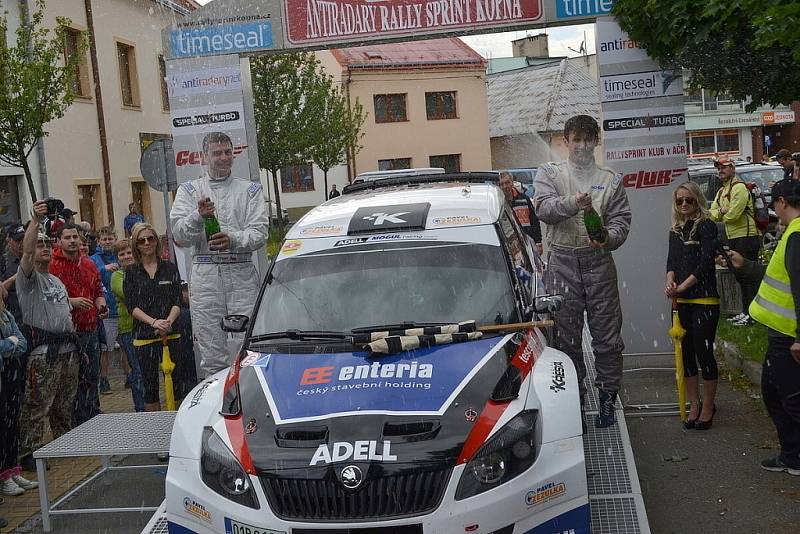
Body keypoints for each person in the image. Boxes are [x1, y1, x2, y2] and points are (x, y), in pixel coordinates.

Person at [533, 114, 632, 428]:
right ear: (566, 141)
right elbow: (544, 209)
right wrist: (573, 203)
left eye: (588, 139)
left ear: (596, 142)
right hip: (561, 264)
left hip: (599, 264)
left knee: (607, 338)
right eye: (576, 139)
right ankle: (573, 399)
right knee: (565, 339)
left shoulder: (611, 179)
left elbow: (621, 223)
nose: (582, 145)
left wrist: (606, 237)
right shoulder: (549, 173)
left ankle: (607, 397)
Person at [170, 131, 268, 377]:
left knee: (247, 345)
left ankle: (247, 402)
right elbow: (180, 236)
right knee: (212, 347)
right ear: (204, 157)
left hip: (241, 273)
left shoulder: (251, 191)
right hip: (206, 276)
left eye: (228, 152)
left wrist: (232, 238)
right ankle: (217, 407)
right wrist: (197, 216)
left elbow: (259, 233)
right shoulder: (189, 191)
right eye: (217, 153)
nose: (224, 158)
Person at [729, 179, 800, 475]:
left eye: (774, 204)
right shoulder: (791, 234)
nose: (773, 210)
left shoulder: (796, 234)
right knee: (774, 394)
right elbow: (777, 276)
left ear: (782, 202)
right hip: (779, 332)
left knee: (792, 399)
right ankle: (792, 455)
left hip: (788, 335)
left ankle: (795, 455)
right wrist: (746, 265)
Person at [15, 201, 81, 473]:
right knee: (37, 405)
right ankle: (29, 451)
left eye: (46, 244)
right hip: (44, 353)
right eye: (39, 244)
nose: (43, 248)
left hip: (68, 350)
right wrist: (35, 221)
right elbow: (28, 251)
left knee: (64, 403)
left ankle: (63, 441)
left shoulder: (56, 280)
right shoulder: (28, 279)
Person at [665, 182, 720, 430]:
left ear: (697, 199)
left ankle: (708, 406)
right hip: (682, 300)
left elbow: (706, 263)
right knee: (685, 354)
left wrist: (683, 286)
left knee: (703, 351)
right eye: (680, 201)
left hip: (704, 298)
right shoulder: (675, 229)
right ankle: (694, 403)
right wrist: (670, 284)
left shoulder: (707, 226)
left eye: (689, 200)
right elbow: (671, 261)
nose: (685, 204)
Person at [49, 223, 107, 426]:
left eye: (75, 237)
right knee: (71, 381)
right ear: (59, 241)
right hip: (66, 332)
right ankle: (76, 423)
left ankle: (92, 415)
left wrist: (101, 305)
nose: (72, 241)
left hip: (90, 328)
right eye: (67, 238)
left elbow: (98, 290)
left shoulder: (89, 264)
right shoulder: (52, 265)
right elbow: (47, 299)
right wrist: (71, 302)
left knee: (92, 376)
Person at [124, 223, 182, 412]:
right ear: (136, 245)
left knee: (177, 384)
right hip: (144, 336)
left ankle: (177, 425)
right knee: (150, 386)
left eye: (151, 238)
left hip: (171, 332)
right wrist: (153, 322)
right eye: (142, 240)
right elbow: (132, 306)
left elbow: (177, 300)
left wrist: (167, 322)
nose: (147, 243)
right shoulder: (131, 273)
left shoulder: (170, 268)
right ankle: (155, 427)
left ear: (157, 241)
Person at [710, 157, 761, 326]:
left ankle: (752, 314)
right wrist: (723, 210)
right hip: (733, 237)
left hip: (746, 236)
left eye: (724, 167)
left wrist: (722, 212)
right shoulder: (721, 191)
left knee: (749, 277)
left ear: (732, 168)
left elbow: (733, 215)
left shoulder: (739, 188)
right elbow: (712, 214)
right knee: (740, 277)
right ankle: (745, 311)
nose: (720, 170)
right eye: (718, 168)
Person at [90, 226, 131, 395]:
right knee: (106, 349)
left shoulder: (121, 254)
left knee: (125, 346)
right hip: (107, 310)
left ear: (115, 238)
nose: (107, 242)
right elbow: (91, 275)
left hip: (123, 308)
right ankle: (104, 380)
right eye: (104, 239)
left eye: (110, 238)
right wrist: (103, 269)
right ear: (99, 241)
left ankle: (129, 376)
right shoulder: (95, 258)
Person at [0, 283, 31, 497]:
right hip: (3, 375)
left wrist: (8, 344)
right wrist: (8, 344)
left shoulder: (6, 316)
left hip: (11, 376)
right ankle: (3, 477)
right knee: (2, 426)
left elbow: (22, 343)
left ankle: (12, 470)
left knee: (12, 423)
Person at [111, 239, 145, 412]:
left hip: (146, 326)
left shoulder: (143, 270)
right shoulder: (117, 276)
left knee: (147, 370)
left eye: (128, 252)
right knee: (137, 370)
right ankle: (141, 408)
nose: (126, 256)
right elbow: (127, 293)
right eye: (121, 254)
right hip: (128, 329)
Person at [499, 171, 543, 255]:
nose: (505, 186)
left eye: (507, 182)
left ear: (512, 183)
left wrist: (538, 243)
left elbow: (534, 222)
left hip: (528, 244)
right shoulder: (497, 204)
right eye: (501, 184)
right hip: (509, 247)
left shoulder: (524, 200)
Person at [1, 224, 25, 324]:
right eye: (17, 240)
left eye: (24, 239)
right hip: (15, 317)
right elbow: (1, 291)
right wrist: (14, 278)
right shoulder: (3, 262)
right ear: (9, 240)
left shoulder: (33, 258)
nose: (21, 243)